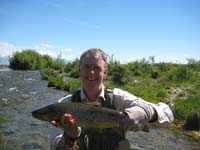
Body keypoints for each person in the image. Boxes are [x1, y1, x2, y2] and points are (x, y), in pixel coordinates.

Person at [51, 48, 174, 150]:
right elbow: (54, 146)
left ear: (105, 72)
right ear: (79, 71)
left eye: (97, 68)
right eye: (87, 67)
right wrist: (70, 139)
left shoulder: (119, 99)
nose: (92, 72)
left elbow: (167, 113)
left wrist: (148, 112)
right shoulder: (64, 106)